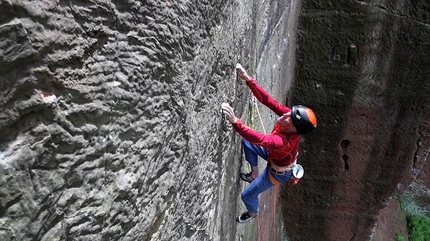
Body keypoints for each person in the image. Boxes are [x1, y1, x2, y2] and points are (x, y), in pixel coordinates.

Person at [221, 63, 317, 223]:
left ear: (295, 129)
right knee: (247, 143)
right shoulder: (290, 117)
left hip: (278, 172)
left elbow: (261, 139)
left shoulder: (283, 142)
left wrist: (235, 122)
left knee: (247, 195)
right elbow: (269, 101)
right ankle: (254, 174)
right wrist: (248, 79)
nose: (284, 116)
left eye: (290, 119)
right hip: (275, 157)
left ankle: (252, 213)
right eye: (289, 113)